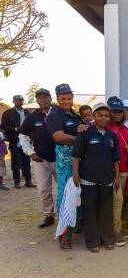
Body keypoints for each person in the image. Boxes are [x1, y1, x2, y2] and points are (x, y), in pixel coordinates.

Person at [72, 103, 120, 253]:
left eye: (106, 115)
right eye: (100, 115)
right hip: (88, 179)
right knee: (90, 211)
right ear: (93, 116)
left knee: (106, 211)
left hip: (107, 179)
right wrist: (75, 173)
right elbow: (76, 155)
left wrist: (117, 176)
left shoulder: (112, 136)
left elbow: (115, 159)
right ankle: (92, 242)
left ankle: (107, 240)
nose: (103, 118)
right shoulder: (85, 133)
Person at [46, 84, 87, 250]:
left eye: (69, 98)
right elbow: (58, 136)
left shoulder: (75, 115)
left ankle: (77, 226)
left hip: (78, 159)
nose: (66, 101)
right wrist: (79, 139)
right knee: (65, 195)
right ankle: (64, 234)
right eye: (62, 98)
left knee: (80, 193)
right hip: (64, 162)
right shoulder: (54, 115)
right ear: (57, 99)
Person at [19, 88, 56, 228]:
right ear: (37, 100)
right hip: (41, 160)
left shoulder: (58, 113)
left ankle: (70, 215)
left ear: (50, 98)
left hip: (60, 159)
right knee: (44, 190)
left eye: (45, 97)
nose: (43, 100)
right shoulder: (32, 117)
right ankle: (49, 216)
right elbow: (22, 137)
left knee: (66, 188)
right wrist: (31, 153)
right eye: (40, 97)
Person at [106, 96, 128, 246]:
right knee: (117, 202)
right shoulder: (107, 128)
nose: (116, 114)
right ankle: (115, 233)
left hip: (125, 171)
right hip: (112, 172)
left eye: (119, 111)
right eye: (114, 111)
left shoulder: (125, 129)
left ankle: (116, 228)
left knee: (119, 202)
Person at [0, 94, 33, 188]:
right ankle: (17, 182)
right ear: (13, 101)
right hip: (15, 140)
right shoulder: (8, 113)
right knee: (16, 162)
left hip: (26, 140)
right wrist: (15, 129)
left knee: (27, 161)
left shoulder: (27, 112)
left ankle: (28, 181)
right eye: (17, 100)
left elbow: (31, 125)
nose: (19, 102)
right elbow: (3, 127)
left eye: (21, 100)